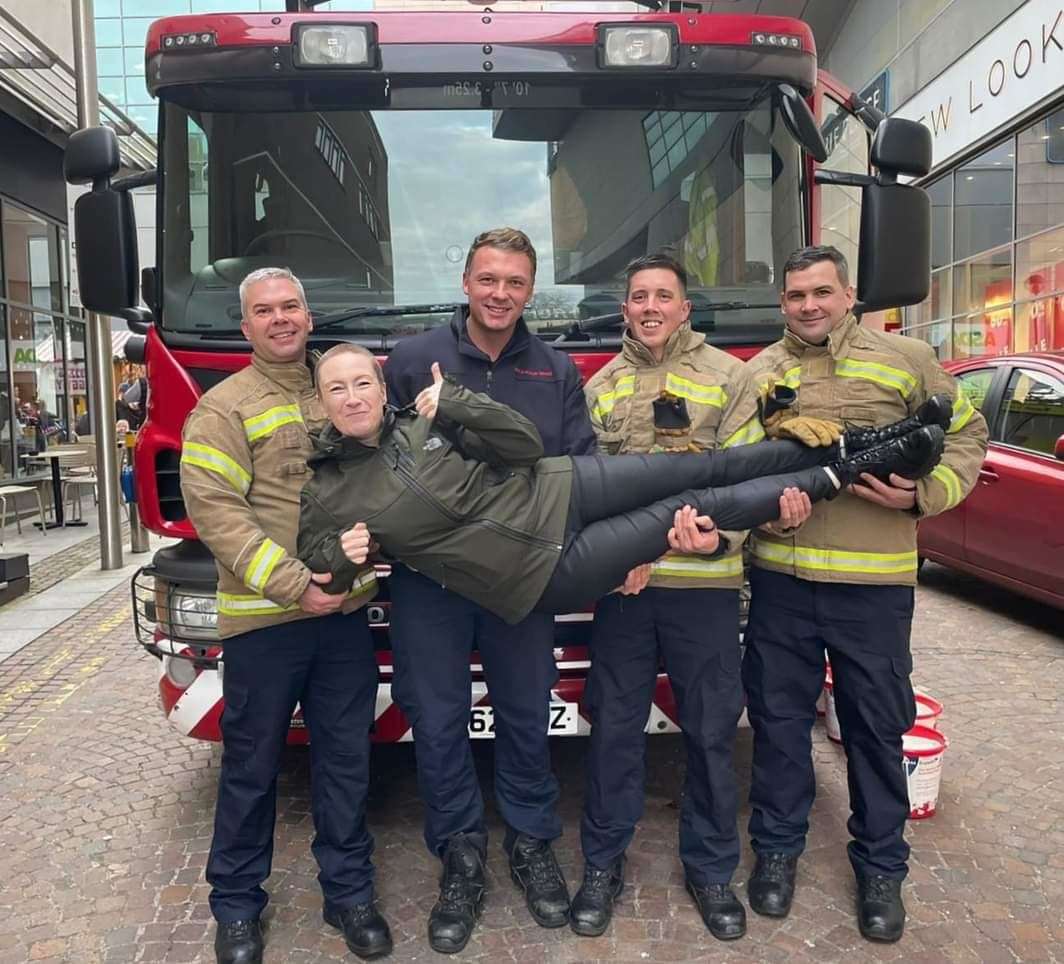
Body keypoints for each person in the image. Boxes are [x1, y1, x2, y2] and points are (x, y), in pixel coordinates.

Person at [298, 345, 948, 627]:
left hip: (560, 485)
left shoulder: (422, 423)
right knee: (691, 505)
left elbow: (524, 447)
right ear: (321, 400)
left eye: (363, 384)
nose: (352, 397)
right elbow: (315, 561)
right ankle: (857, 469)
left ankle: (861, 442)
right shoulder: (327, 488)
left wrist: (458, 402)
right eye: (337, 388)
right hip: (538, 569)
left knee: (706, 464)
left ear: (383, 389)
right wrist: (341, 554)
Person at [741, 245, 989, 944]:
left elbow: (968, 432)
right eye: (795, 295)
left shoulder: (904, 361)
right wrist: (763, 510)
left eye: (822, 292)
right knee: (780, 727)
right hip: (782, 582)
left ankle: (882, 869)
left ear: (848, 295)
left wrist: (925, 493)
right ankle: (779, 852)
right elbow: (733, 469)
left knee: (876, 733)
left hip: (872, 589)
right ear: (783, 303)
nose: (809, 305)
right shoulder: (760, 373)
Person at [574, 254, 805, 941]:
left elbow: (742, 483)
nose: (649, 306)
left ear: (684, 308)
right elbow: (593, 495)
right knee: (613, 733)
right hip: (626, 593)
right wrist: (614, 561)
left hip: (704, 592)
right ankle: (602, 865)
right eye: (638, 295)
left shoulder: (729, 379)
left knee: (709, 735)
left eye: (662, 295)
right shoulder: (604, 386)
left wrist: (717, 542)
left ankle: (711, 871)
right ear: (625, 310)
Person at [378, 228, 596, 952]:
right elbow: (378, 461)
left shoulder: (556, 371)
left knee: (525, 715)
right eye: (488, 279)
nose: (500, 293)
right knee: (437, 723)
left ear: (531, 291)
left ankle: (532, 843)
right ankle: (460, 855)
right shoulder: (411, 361)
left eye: (515, 283)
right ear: (466, 283)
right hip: (429, 583)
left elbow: (579, 470)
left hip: (519, 582)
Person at [179, 267, 389, 964]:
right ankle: (237, 907)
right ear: (246, 327)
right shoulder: (222, 408)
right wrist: (297, 585)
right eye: (264, 310)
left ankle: (349, 892)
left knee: (344, 762)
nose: (280, 319)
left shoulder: (336, 388)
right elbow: (219, 515)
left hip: (342, 619)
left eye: (291, 306)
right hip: (266, 624)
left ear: (307, 313)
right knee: (251, 767)